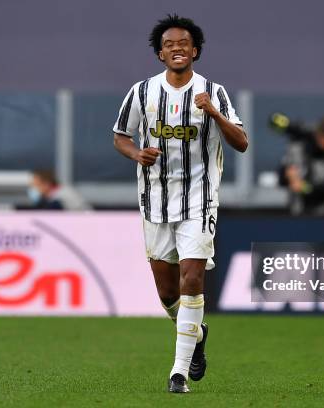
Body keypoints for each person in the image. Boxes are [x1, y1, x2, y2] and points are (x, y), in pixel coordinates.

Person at [112, 14, 248, 393]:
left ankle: (178, 372)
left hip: (199, 199)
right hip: (154, 200)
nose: (177, 49)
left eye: (184, 44)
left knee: (193, 280)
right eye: (170, 45)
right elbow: (120, 136)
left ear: (196, 51)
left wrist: (215, 113)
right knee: (168, 293)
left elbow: (241, 143)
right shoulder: (142, 92)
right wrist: (136, 154)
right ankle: (196, 335)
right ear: (160, 54)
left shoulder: (213, 92)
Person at [271, 114, 324, 215]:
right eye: (322, 136)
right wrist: (288, 175)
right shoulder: (297, 148)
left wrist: (303, 187)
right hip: (300, 210)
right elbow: (282, 180)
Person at [22, 169, 90, 211]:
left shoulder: (62, 195)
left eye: (36, 185)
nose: (33, 189)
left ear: (46, 184)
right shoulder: (48, 197)